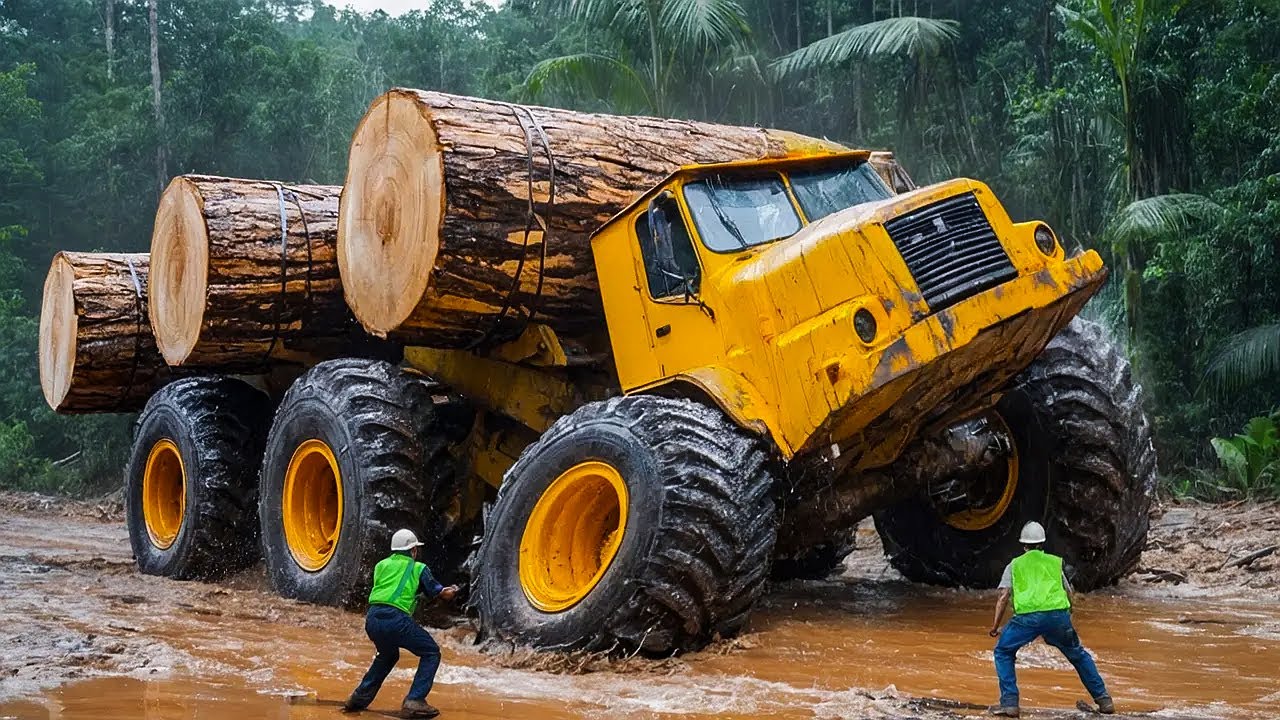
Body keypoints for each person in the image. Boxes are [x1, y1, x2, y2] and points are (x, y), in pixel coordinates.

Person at [987, 521, 1113, 718]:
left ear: (1023, 545)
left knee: (1003, 651)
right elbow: (1068, 592)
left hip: (1027, 618)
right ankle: (1104, 700)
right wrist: (1069, 615)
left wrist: (995, 626)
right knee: (1078, 655)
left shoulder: (1015, 565)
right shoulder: (1055, 562)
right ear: (1042, 543)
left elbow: (1003, 597)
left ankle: (1010, 703)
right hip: (1057, 616)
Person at [344, 529, 459, 718]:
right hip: (395, 618)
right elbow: (438, 591)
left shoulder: (381, 565)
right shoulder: (418, 568)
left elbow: (391, 589)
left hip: (372, 618)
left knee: (387, 656)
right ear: (413, 550)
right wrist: (451, 591)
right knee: (431, 652)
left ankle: (358, 698)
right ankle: (415, 700)